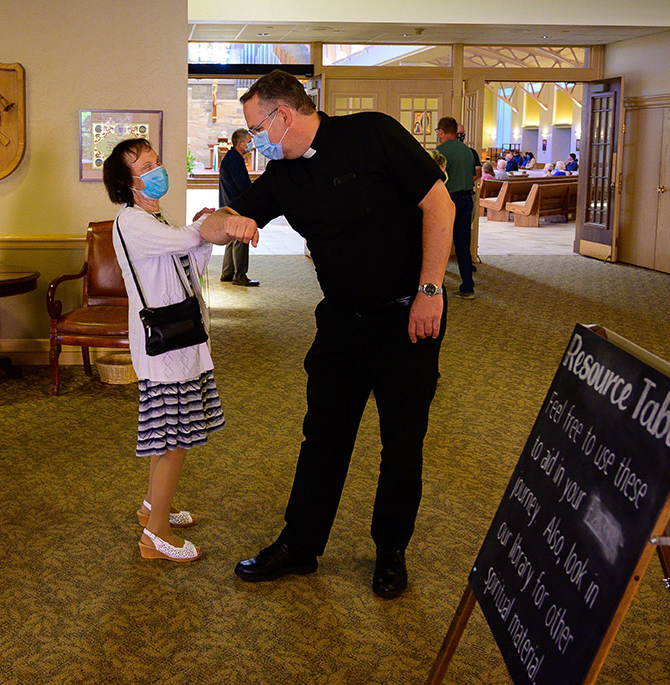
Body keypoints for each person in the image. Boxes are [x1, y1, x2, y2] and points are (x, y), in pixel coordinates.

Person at [201, 69, 453, 599]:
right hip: (340, 321)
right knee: (323, 436)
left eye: (256, 127)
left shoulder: (373, 133)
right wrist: (227, 222)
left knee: (401, 442)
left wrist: (431, 290)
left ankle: (391, 550)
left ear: (283, 115)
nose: (254, 139)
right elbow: (214, 222)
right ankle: (301, 544)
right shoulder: (286, 175)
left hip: (408, 316)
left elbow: (439, 205)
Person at [102, 137, 226, 562]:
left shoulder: (156, 217)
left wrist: (202, 236)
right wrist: (208, 227)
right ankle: (153, 537)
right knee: (174, 442)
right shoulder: (133, 221)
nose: (157, 169)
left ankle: (152, 508)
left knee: (167, 437)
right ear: (126, 181)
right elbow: (181, 242)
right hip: (166, 350)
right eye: (146, 165)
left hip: (181, 340)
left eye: (157, 161)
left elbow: (188, 265)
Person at [437, 116, 477, 299]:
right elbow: (473, 174)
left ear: (441, 132)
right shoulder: (468, 151)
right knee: (463, 246)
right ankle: (468, 286)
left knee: (440, 244)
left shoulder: (440, 151)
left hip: (448, 201)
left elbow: (437, 179)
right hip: (467, 200)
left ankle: (437, 285)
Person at [219, 128, 259, 286]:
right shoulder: (235, 160)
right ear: (241, 143)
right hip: (237, 204)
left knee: (231, 238)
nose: (251, 145)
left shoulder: (230, 157)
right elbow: (243, 185)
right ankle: (240, 275)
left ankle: (228, 272)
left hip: (229, 203)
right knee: (241, 239)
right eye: (249, 142)